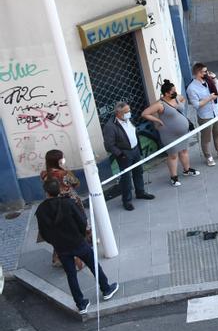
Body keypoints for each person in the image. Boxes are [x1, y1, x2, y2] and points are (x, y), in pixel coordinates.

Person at [36, 178, 118, 314]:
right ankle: (106, 289)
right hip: (77, 242)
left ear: (46, 192)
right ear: (59, 190)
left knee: (71, 275)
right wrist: (81, 235)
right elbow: (82, 221)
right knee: (94, 265)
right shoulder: (68, 203)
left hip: (61, 247)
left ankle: (80, 304)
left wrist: (55, 242)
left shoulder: (41, 210)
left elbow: (43, 233)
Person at [143, 80, 200, 185]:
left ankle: (187, 170)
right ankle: (173, 177)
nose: (175, 92)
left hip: (183, 132)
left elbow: (183, 98)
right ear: (166, 93)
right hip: (169, 134)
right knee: (173, 155)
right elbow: (145, 113)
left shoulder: (177, 97)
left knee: (184, 151)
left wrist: (181, 105)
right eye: (172, 91)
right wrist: (158, 120)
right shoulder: (160, 104)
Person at [101, 102, 154, 211]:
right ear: (118, 113)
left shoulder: (129, 119)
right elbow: (109, 145)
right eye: (126, 112)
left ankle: (140, 192)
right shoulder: (110, 126)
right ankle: (127, 200)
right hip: (124, 154)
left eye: (129, 111)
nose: (129, 113)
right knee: (126, 178)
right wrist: (120, 154)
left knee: (138, 172)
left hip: (135, 150)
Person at [40, 150, 84, 270]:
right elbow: (76, 183)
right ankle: (77, 261)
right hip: (69, 204)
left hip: (53, 206)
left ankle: (57, 258)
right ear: (58, 161)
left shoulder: (44, 174)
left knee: (60, 232)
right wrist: (66, 169)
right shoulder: (63, 173)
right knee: (75, 230)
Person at [186, 63, 218, 167]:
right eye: (204, 72)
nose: (206, 73)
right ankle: (208, 156)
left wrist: (214, 78)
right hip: (205, 115)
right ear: (198, 73)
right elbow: (196, 105)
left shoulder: (208, 80)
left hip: (216, 111)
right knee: (206, 137)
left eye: (206, 71)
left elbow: (217, 86)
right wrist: (209, 98)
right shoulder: (192, 88)